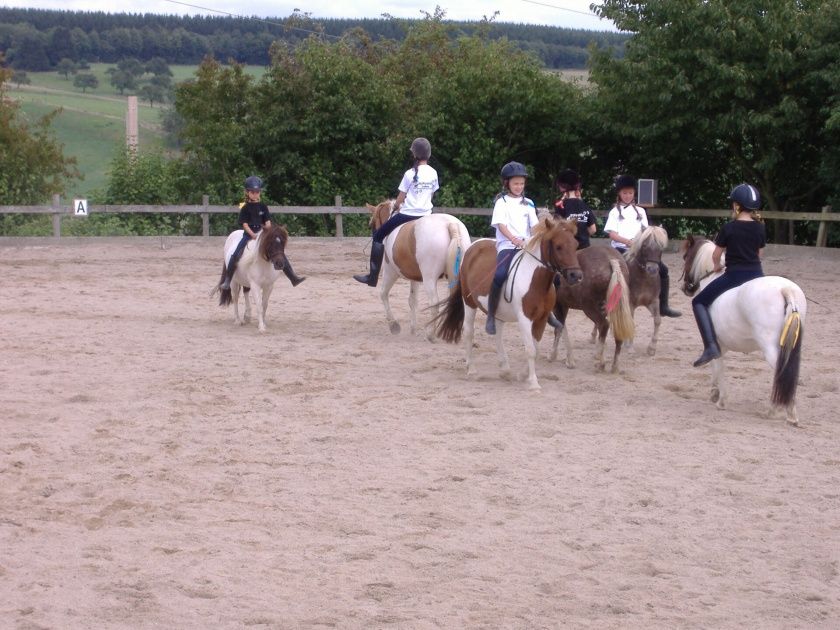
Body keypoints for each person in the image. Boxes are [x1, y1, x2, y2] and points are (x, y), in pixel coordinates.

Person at [691, 183, 766, 367]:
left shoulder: (729, 228)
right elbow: (759, 254)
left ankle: (710, 346)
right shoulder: (760, 227)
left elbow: (716, 255)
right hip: (757, 275)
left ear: (737, 205)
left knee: (698, 301)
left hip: (735, 276)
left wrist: (716, 266)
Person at [353, 137, 439, 286]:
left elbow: (399, 200)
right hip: (427, 215)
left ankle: (372, 277)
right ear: (428, 155)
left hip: (408, 214)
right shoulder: (433, 173)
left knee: (378, 236)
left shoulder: (409, 174)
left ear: (414, 155)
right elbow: (431, 195)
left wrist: (398, 206)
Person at [603, 174, 681, 318]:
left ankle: (663, 306)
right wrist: (628, 242)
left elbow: (646, 231)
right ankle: (611, 303)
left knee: (663, 269)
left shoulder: (640, 211)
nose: (627, 196)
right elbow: (612, 234)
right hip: (620, 248)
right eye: (624, 193)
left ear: (634, 194)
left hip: (639, 249)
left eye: (630, 193)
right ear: (619, 194)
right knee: (616, 272)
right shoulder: (615, 212)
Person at [220, 175, 304, 290]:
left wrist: (267, 232)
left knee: (279, 253)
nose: (255, 194)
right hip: (249, 235)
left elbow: (267, 222)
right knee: (235, 253)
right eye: (252, 192)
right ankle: (227, 280)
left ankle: (293, 277)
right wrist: (253, 235)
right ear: (247, 193)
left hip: (263, 235)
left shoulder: (263, 206)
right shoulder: (245, 208)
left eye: (257, 192)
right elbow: (244, 224)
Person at [485, 161, 539, 335]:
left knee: (548, 271)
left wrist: (535, 240)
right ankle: (491, 315)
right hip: (508, 246)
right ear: (507, 183)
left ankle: (548, 310)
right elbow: (501, 225)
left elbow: (535, 226)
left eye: (521, 183)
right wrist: (514, 240)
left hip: (527, 245)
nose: (519, 186)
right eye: (515, 183)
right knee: (500, 275)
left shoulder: (529, 203)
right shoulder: (502, 202)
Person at [552, 169, 597, 249]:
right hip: (585, 248)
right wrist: (583, 236)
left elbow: (557, 229)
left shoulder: (560, 205)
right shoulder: (584, 205)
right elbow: (593, 229)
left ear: (562, 187)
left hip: (570, 249)